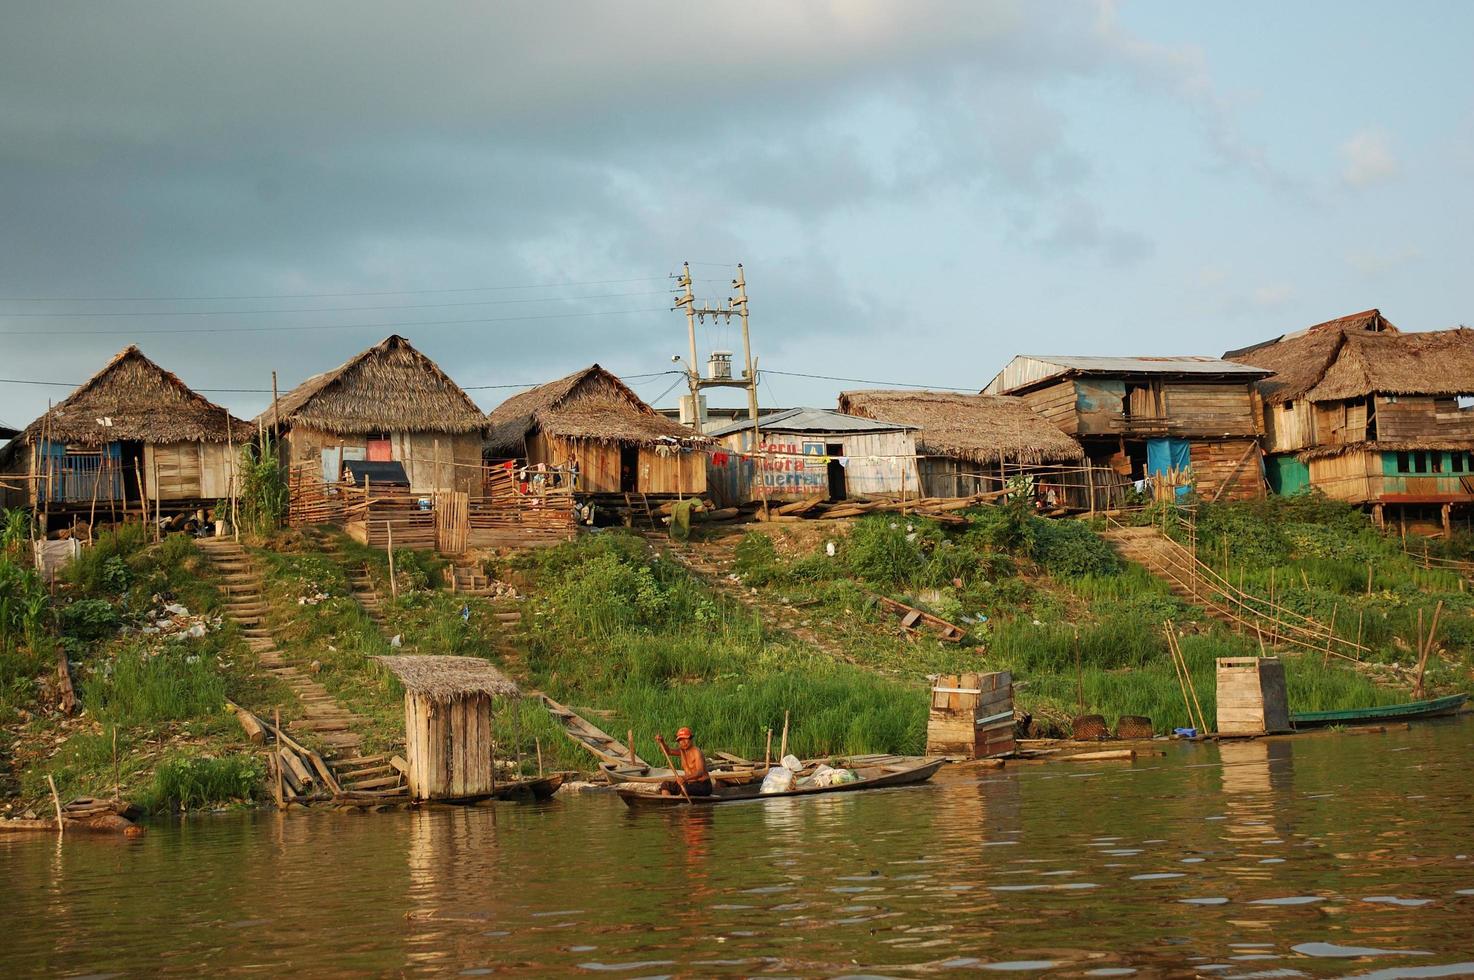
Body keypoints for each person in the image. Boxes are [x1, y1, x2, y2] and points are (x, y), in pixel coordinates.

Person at [655, 726, 712, 797]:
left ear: (691, 739)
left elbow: (700, 772)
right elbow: (668, 751)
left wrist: (684, 778)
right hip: (689, 783)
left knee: (685, 789)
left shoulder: (697, 752)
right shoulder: (682, 751)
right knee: (665, 785)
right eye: (681, 740)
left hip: (703, 785)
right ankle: (667, 801)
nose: (683, 742)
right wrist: (662, 742)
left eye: (686, 739)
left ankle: (682, 805)